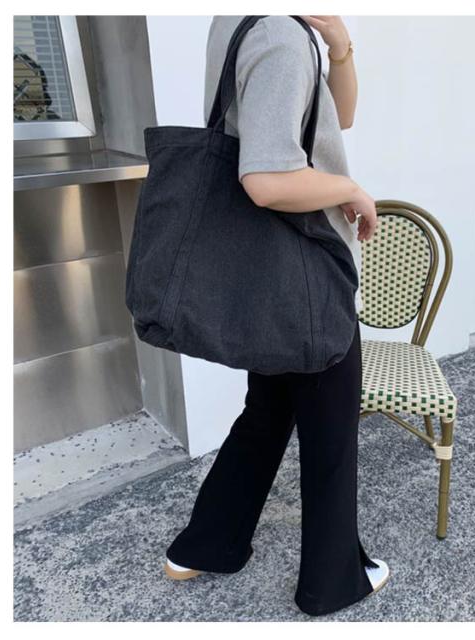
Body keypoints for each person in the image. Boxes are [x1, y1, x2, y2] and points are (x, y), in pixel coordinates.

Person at [163, 14, 386, 617]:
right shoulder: (280, 35)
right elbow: (266, 178)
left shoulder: (241, 20)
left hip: (264, 274)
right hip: (306, 270)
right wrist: (350, 190)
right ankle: (331, 582)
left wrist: (338, 46)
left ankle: (207, 544)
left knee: (267, 413)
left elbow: (335, 120)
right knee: (330, 433)